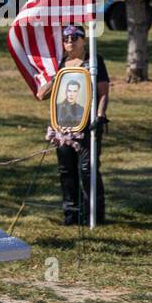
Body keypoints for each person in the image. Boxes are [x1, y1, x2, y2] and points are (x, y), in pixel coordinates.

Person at [37, 25, 109, 225]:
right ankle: (71, 215)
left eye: (75, 37)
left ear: (83, 39)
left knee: (88, 169)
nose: (70, 41)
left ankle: (93, 215)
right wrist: (56, 78)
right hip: (63, 125)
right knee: (66, 170)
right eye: (66, 38)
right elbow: (42, 95)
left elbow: (103, 91)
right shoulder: (62, 64)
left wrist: (100, 116)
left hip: (87, 124)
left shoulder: (94, 61)